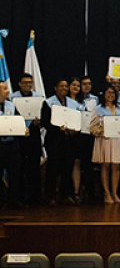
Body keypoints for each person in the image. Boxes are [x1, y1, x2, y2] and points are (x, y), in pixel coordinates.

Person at [41, 78, 81, 206]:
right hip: (54, 141)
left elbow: (78, 120)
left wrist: (75, 129)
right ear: (55, 88)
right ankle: (50, 196)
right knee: (52, 170)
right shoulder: (48, 102)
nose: (64, 88)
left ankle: (65, 195)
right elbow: (45, 122)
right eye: (61, 86)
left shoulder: (73, 103)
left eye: (66, 86)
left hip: (69, 141)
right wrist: (58, 128)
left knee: (67, 169)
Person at [90, 85, 120, 204]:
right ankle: (106, 192)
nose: (110, 95)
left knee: (116, 167)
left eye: (113, 93)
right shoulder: (98, 109)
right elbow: (92, 127)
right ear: (103, 94)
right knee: (105, 166)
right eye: (108, 93)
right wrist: (100, 131)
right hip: (105, 140)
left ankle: (114, 192)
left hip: (118, 140)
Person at [10, 73, 42, 205]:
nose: (28, 85)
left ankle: (34, 197)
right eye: (25, 82)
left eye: (30, 82)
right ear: (19, 84)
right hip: (18, 135)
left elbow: (44, 117)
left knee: (34, 167)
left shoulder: (38, 98)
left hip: (34, 134)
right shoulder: (12, 99)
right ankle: (19, 197)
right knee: (19, 167)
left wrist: (39, 121)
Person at [0, 81, 23, 209]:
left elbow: (18, 120)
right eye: (4, 88)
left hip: (11, 145)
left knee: (15, 173)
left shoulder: (11, 105)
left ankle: (14, 199)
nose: (7, 90)